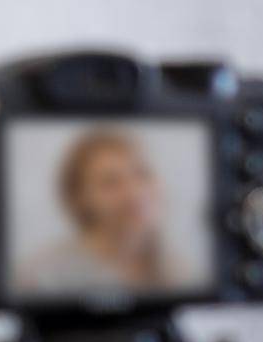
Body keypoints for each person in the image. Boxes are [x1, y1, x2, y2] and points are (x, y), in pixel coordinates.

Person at [12, 127, 196, 297]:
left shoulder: (181, 272)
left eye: (143, 173)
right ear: (80, 199)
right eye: (110, 182)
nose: (134, 193)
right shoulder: (44, 276)